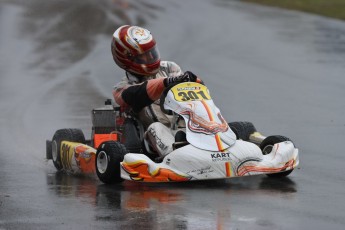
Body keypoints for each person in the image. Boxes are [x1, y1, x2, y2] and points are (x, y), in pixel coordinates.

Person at [111, 25, 200, 157]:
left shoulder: (169, 68)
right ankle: (177, 155)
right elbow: (138, 93)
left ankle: (218, 142)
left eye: (152, 53)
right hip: (154, 139)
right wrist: (165, 83)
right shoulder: (122, 88)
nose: (150, 58)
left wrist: (195, 81)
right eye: (143, 57)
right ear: (127, 60)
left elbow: (194, 93)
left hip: (183, 124)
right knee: (156, 128)